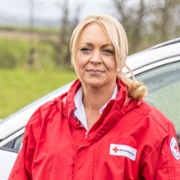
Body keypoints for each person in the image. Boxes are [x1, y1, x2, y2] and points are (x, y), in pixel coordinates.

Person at [8, 14, 180, 180]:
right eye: (86, 49)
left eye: (107, 51)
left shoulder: (153, 129)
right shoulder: (43, 121)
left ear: (120, 58)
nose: (95, 59)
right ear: (74, 56)